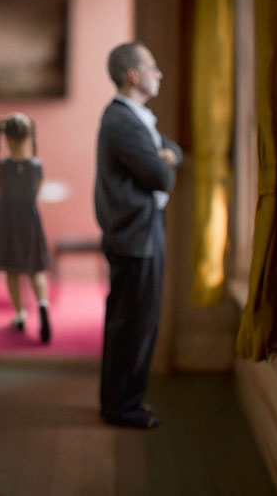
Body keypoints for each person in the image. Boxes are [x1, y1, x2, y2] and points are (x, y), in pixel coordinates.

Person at [94, 42, 181, 430]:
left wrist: (166, 155)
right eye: (152, 67)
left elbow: (171, 150)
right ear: (133, 75)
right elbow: (160, 176)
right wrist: (164, 161)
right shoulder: (123, 121)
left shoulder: (135, 117)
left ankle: (123, 403)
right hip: (135, 235)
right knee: (133, 323)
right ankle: (121, 407)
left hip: (141, 231)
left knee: (136, 321)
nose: (159, 74)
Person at [0, 112, 52, 343]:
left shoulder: (0, 167)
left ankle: (20, 314)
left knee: (12, 270)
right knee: (35, 269)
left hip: (8, 219)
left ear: (6, 138)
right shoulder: (36, 166)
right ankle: (43, 306)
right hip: (30, 219)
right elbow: (37, 193)